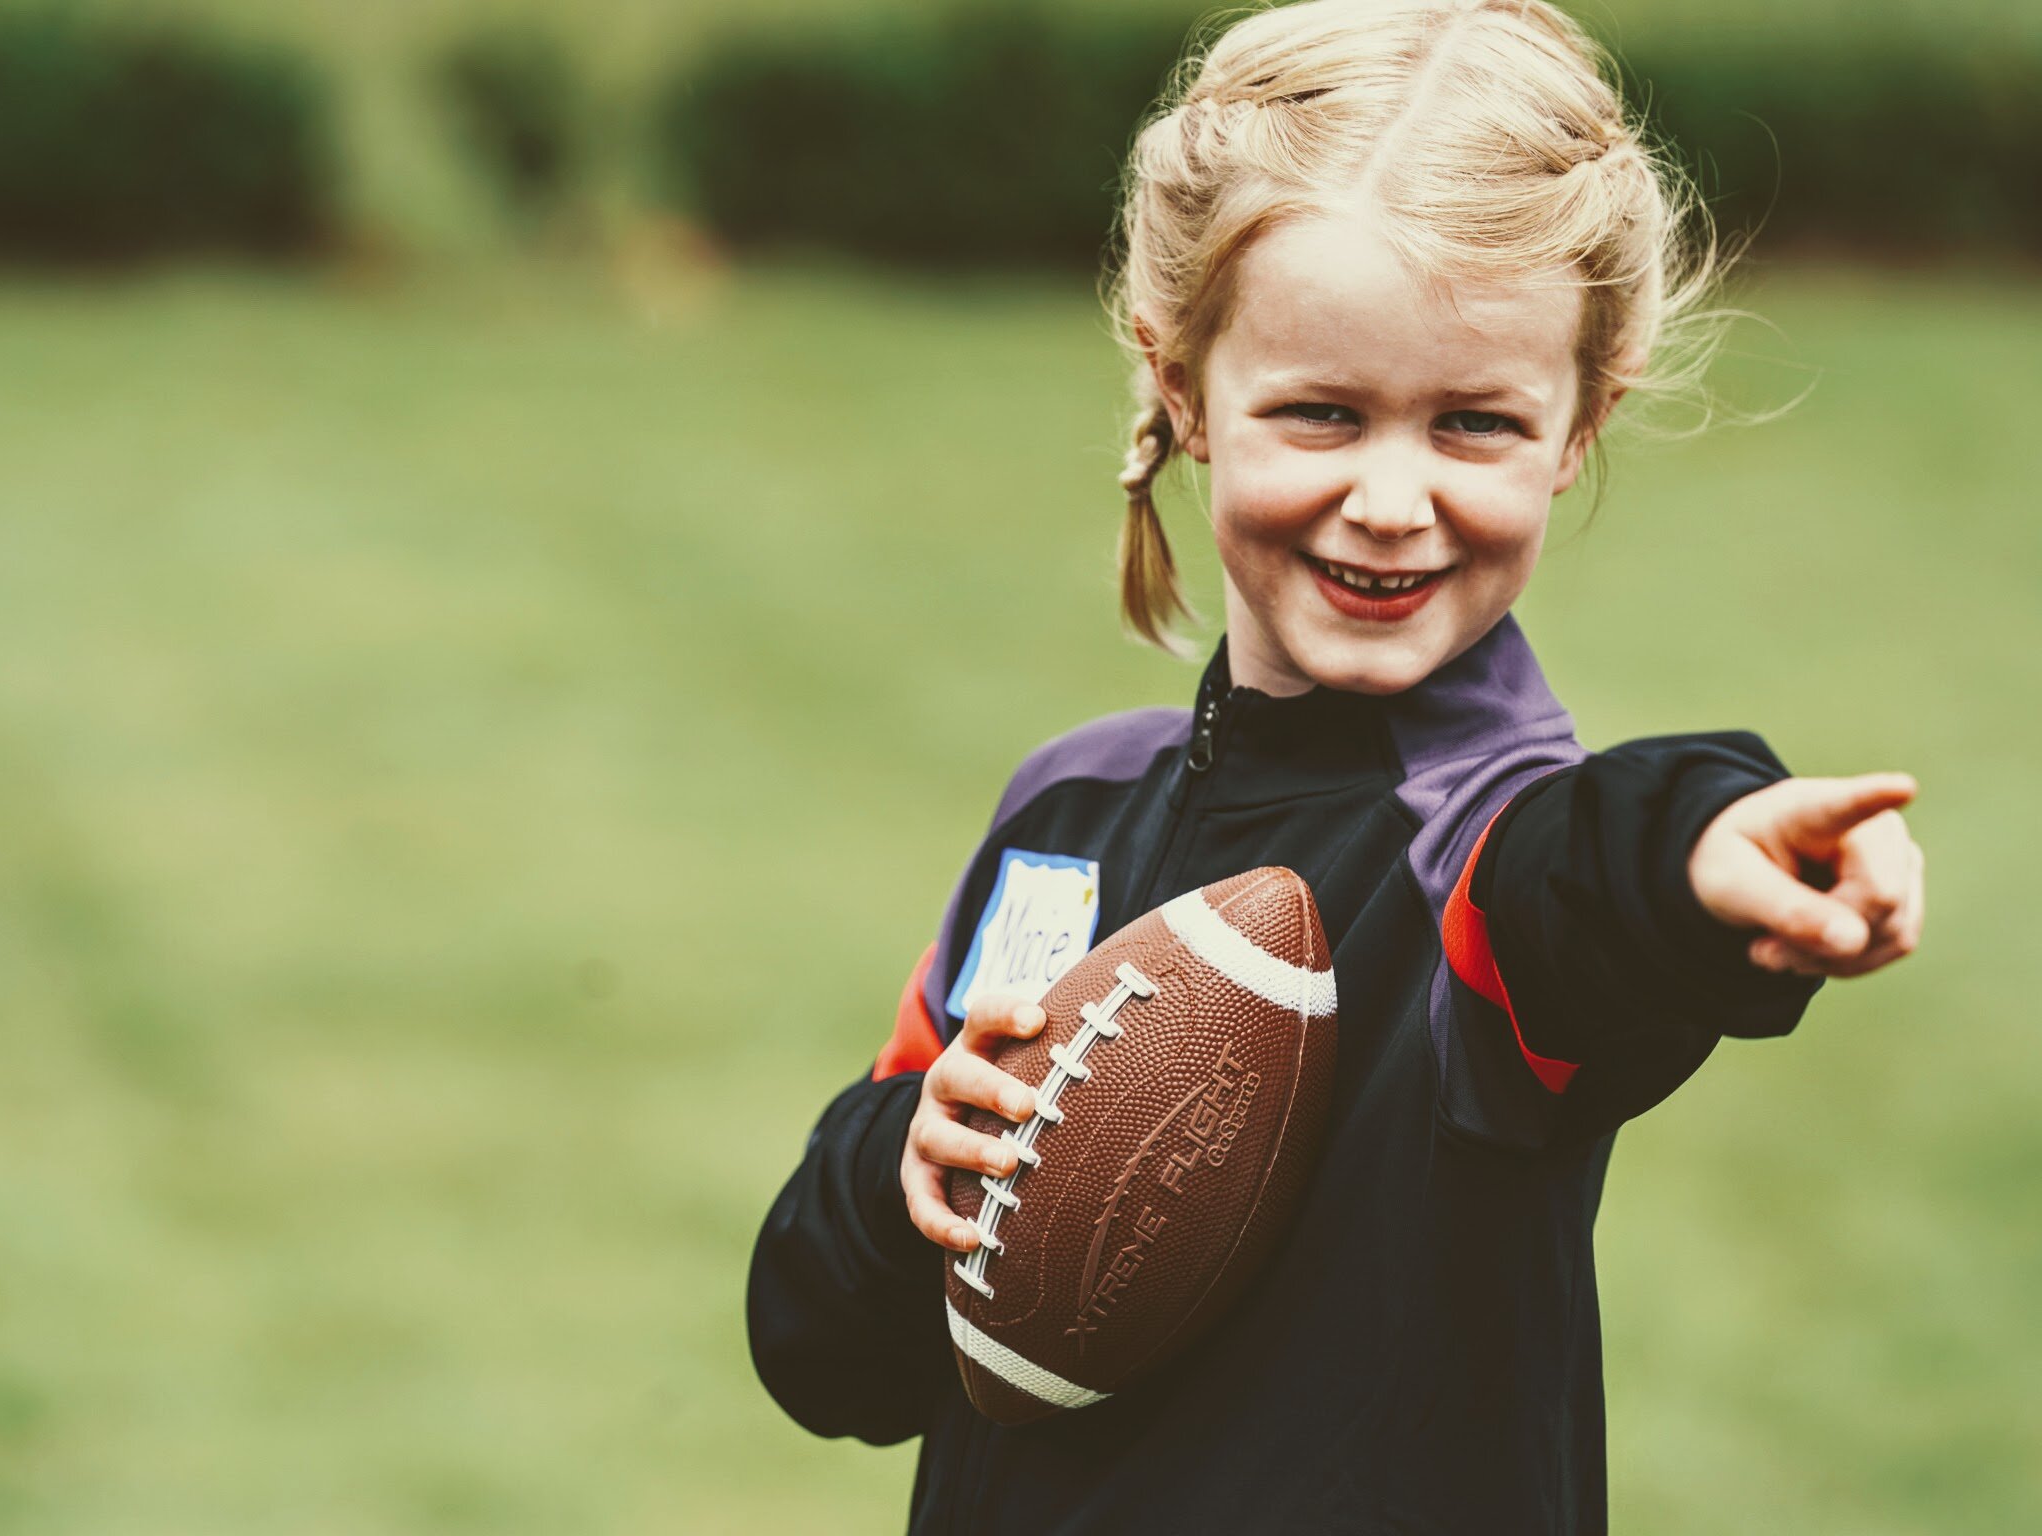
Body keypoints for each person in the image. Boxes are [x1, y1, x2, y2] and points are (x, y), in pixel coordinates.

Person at [745, 0, 1927, 1529]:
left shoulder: (1492, 858)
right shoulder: (1069, 815)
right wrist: (907, 1169)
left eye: (1473, 424)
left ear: (1580, 423)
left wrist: (1708, 851)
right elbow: (826, 1360)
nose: (1391, 497)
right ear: (1181, 388)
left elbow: (1594, 881)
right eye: (1322, 412)